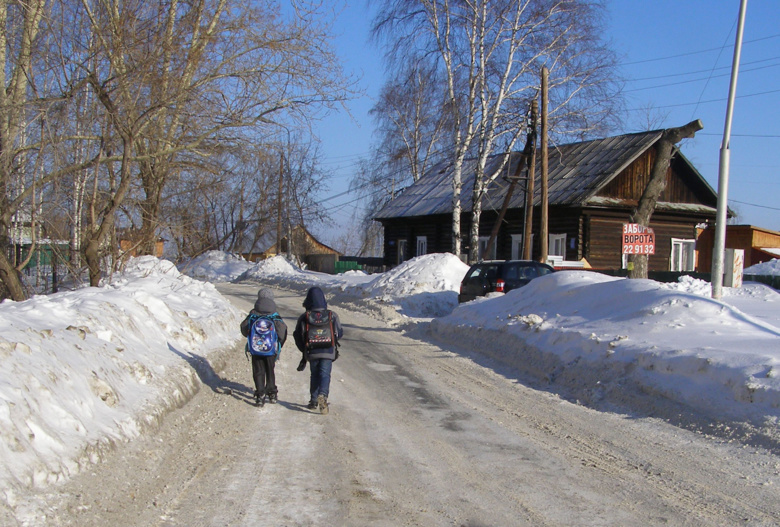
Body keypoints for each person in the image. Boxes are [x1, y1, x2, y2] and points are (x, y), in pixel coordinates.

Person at [293, 286, 343, 415]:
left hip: (312, 351)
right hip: (328, 351)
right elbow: (340, 333)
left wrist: (303, 350)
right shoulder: (332, 315)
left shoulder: (305, 316)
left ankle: (313, 401)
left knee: (314, 375)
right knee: (325, 375)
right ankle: (323, 395)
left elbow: (297, 335)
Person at [240, 288, 287, 406]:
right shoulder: (274, 315)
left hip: (256, 349)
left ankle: (260, 394)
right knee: (270, 370)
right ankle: (272, 393)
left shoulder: (253, 314)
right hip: (270, 349)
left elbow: (244, 328)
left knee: (258, 370)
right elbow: (282, 332)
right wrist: (279, 344)